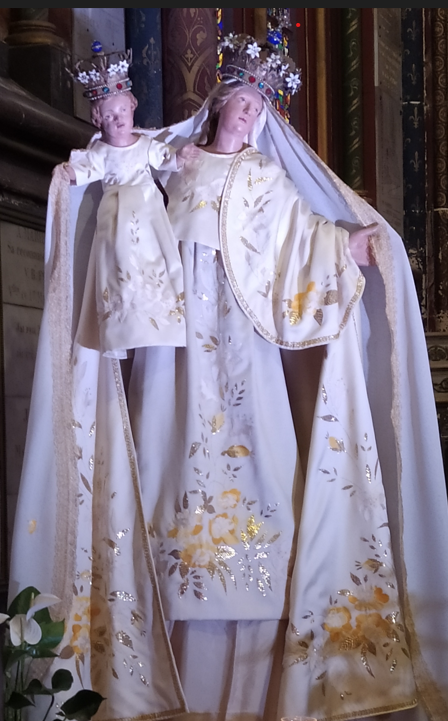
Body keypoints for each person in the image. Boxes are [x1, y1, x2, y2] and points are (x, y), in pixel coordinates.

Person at [9, 35, 448, 721]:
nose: (249, 116)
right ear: (219, 106)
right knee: (164, 468)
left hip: (248, 355)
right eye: (242, 104)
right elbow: (126, 185)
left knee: (265, 476)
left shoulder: (265, 178)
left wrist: (349, 247)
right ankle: (155, 664)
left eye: (257, 109)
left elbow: (301, 239)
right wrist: (92, 165)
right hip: (175, 352)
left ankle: (260, 683)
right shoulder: (179, 164)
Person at [64, 48, 198, 358]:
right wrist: (67, 173)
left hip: (149, 214)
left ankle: (160, 318)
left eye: (122, 111)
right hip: (115, 218)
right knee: (120, 263)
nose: (118, 119)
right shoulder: (101, 152)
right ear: (99, 120)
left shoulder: (145, 144)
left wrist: (179, 157)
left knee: (155, 261)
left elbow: (164, 159)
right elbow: (86, 170)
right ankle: (124, 320)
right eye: (110, 116)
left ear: (132, 107)